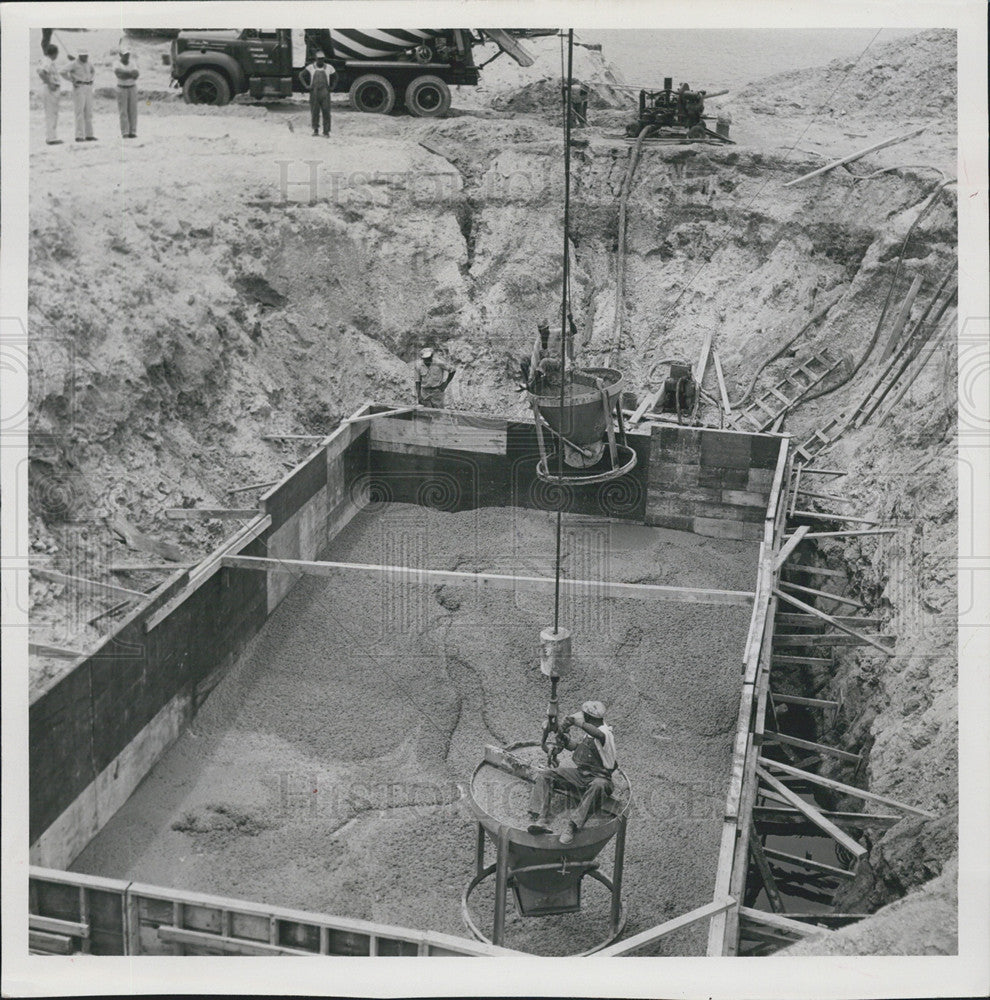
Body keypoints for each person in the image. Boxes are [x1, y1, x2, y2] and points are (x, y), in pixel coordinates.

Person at [528, 700, 617, 845]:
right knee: (547, 775)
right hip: (581, 775)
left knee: (598, 786)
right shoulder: (589, 736)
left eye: (584, 716)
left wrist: (576, 722)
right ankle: (541, 819)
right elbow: (578, 748)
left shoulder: (605, 732)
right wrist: (563, 738)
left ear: (588, 718)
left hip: (601, 778)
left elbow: (597, 734)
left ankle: (572, 826)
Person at [61, 48, 96, 142]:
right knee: (79, 112)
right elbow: (62, 72)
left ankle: (89, 135)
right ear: (79, 55)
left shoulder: (89, 63)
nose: (86, 57)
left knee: (88, 112)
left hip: (88, 87)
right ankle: (79, 136)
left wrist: (91, 79)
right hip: (79, 87)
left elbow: (93, 70)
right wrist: (72, 80)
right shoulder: (73, 63)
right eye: (84, 55)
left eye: (87, 55)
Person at [300, 50, 335, 137]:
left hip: (325, 93)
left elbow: (336, 77)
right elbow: (301, 75)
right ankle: (315, 130)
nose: (320, 61)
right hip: (314, 93)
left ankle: (326, 132)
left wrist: (332, 87)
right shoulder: (311, 67)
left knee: (326, 112)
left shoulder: (329, 67)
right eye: (319, 59)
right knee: (315, 112)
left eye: (322, 59)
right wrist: (306, 86)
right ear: (316, 59)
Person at [37, 44, 63, 145]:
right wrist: (50, 83)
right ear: (55, 53)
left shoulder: (45, 60)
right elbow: (42, 73)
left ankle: (51, 136)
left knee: (51, 113)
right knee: (51, 113)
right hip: (50, 89)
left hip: (49, 88)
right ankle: (51, 138)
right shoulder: (48, 61)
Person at [114, 47, 139, 137]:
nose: (127, 56)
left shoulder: (133, 63)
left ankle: (132, 131)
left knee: (133, 111)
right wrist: (130, 73)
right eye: (125, 55)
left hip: (132, 87)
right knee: (123, 111)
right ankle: (125, 132)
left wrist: (126, 73)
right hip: (122, 88)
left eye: (128, 54)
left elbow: (136, 75)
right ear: (120, 55)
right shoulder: (116, 63)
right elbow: (120, 75)